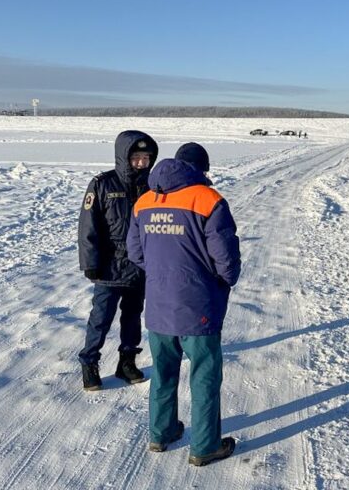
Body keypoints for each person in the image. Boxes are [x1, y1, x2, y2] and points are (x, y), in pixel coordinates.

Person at [126, 142, 241, 467]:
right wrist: (221, 281)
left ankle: (160, 433)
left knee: (163, 372)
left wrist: (164, 273)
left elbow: (136, 253)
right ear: (201, 170)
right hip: (199, 307)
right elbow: (226, 262)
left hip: (159, 306)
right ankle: (204, 446)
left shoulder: (144, 201)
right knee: (204, 375)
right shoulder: (209, 200)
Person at [77, 130, 158, 391]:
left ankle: (127, 361)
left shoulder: (153, 187)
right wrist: (90, 262)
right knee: (100, 318)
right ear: (124, 157)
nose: (141, 163)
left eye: (146, 158)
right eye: (136, 158)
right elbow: (88, 227)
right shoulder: (102, 184)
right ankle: (89, 362)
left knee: (133, 317)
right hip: (109, 268)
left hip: (139, 267)